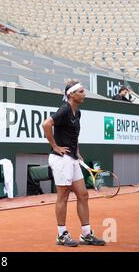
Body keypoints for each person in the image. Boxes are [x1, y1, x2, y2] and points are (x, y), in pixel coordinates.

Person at [42, 81, 106, 247]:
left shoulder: (77, 113)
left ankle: (86, 234)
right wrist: (55, 146)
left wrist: (77, 152)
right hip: (61, 159)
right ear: (71, 94)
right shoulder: (63, 109)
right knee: (63, 196)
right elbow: (46, 124)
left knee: (83, 194)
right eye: (81, 91)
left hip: (72, 158)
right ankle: (61, 235)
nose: (84, 94)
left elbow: (73, 135)